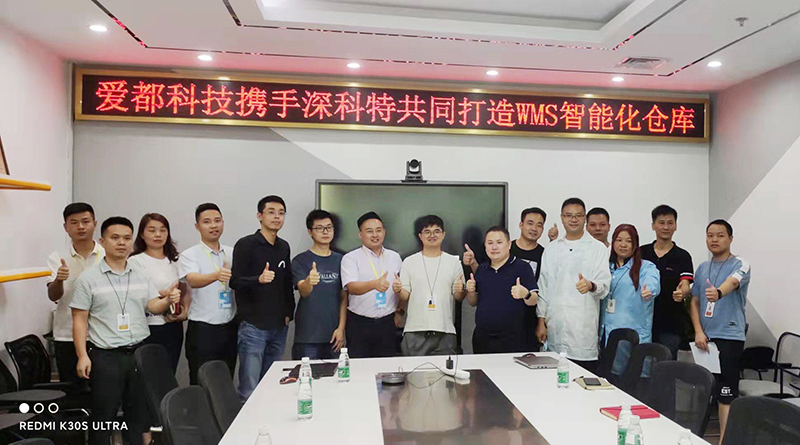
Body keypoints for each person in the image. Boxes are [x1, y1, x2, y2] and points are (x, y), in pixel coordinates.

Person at [70, 217, 179, 445]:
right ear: (102, 241)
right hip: (106, 356)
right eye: (115, 238)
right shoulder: (87, 279)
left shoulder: (140, 274)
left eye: (127, 238)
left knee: (138, 415)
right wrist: (82, 355)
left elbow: (152, 306)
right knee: (104, 415)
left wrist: (167, 299)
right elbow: (79, 320)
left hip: (139, 353)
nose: (122, 243)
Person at [690, 219, 750, 443]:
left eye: (720, 235)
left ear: (730, 238)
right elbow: (694, 301)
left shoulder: (740, 263)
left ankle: (724, 441)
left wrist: (719, 293)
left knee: (726, 395)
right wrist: (698, 331)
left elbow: (733, 283)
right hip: (705, 340)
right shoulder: (703, 267)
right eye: (710, 235)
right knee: (706, 391)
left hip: (729, 337)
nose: (714, 239)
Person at [231, 195, 295, 401]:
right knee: (249, 387)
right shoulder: (246, 244)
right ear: (260, 216)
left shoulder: (283, 246)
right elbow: (235, 281)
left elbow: (286, 283)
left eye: (281, 213)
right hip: (254, 326)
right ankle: (245, 421)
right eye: (271, 212)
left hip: (279, 325)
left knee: (271, 384)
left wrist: (289, 313)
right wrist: (258, 279)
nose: (277, 217)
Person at [537, 198, 611, 372]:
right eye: (569, 215)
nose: (573, 219)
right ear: (562, 218)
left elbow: (604, 286)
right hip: (555, 329)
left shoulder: (598, 248)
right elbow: (544, 286)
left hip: (582, 334)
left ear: (585, 218)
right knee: (553, 381)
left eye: (578, 215)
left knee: (582, 382)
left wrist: (591, 285)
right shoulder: (552, 249)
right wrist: (541, 320)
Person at [46, 203, 104, 389]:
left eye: (85, 221)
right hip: (67, 335)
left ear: (94, 224)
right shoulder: (57, 257)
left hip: (102, 335)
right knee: (72, 390)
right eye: (74, 222)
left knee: (102, 390)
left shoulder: (106, 254)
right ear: (66, 227)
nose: (80, 227)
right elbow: (53, 295)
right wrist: (59, 280)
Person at [178, 203, 237, 385]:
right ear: (197, 226)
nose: (213, 225)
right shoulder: (189, 255)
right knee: (201, 380)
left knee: (225, 380)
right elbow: (192, 280)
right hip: (203, 330)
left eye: (217, 221)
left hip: (229, 327)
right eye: (207, 222)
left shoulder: (232, 252)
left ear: (223, 223)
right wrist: (216, 275)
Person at [396, 215, 465, 356]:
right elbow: (405, 295)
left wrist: (461, 289)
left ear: (443, 235)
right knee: (413, 370)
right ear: (420, 236)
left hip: (445, 331)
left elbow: (459, 296)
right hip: (415, 331)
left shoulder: (453, 262)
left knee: (445, 370)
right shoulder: (409, 262)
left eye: (436, 231)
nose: (432, 235)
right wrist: (397, 290)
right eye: (427, 232)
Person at [129, 213, 190, 373]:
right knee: (148, 376)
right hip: (148, 326)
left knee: (169, 373)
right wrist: (166, 296)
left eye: (163, 230)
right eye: (152, 230)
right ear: (142, 234)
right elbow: (139, 292)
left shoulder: (176, 260)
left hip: (172, 325)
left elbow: (184, 289)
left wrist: (184, 312)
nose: (158, 234)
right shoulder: (135, 261)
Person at [466, 226, 538, 354]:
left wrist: (525, 294)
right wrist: (470, 292)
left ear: (509, 245)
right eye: (490, 243)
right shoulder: (482, 269)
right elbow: (473, 302)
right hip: (483, 338)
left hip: (513, 339)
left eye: (499, 242)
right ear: (485, 246)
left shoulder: (522, 267)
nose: (494, 247)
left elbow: (534, 300)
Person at [600, 224, 660, 376]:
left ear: (635, 245)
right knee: (607, 377)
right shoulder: (605, 267)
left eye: (628, 241)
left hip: (632, 335)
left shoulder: (646, 267)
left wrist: (649, 291)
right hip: (606, 333)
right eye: (619, 240)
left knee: (630, 378)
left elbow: (652, 282)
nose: (623, 244)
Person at [340, 212, 403, 358]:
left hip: (387, 322)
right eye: (369, 231)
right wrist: (374, 284)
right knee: (359, 367)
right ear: (360, 234)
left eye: (378, 230)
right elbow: (352, 288)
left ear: (384, 232)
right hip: (359, 323)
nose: (375, 235)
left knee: (386, 366)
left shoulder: (394, 257)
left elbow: (402, 287)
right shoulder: (351, 258)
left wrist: (400, 311)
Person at [291, 210, 347, 360]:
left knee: (336, 374)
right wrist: (309, 281)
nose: (325, 232)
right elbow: (303, 291)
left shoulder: (342, 260)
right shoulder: (300, 260)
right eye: (319, 228)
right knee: (306, 374)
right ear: (310, 232)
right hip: (307, 336)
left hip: (334, 335)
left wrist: (341, 329)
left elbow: (344, 297)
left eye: (329, 227)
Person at [640, 205, 694, 359]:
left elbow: (685, 283)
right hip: (643, 320)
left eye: (670, 223)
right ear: (653, 225)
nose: (665, 227)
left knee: (666, 364)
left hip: (670, 323)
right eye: (661, 223)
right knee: (641, 363)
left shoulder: (682, 256)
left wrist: (682, 293)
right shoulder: (641, 252)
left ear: (675, 226)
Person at [511, 207, 547, 352]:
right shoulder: (506, 249)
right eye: (530, 223)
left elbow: (545, 289)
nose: (534, 228)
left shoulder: (545, 254)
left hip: (530, 321)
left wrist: (541, 322)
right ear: (521, 225)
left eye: (539, 225)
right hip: (505, 318)